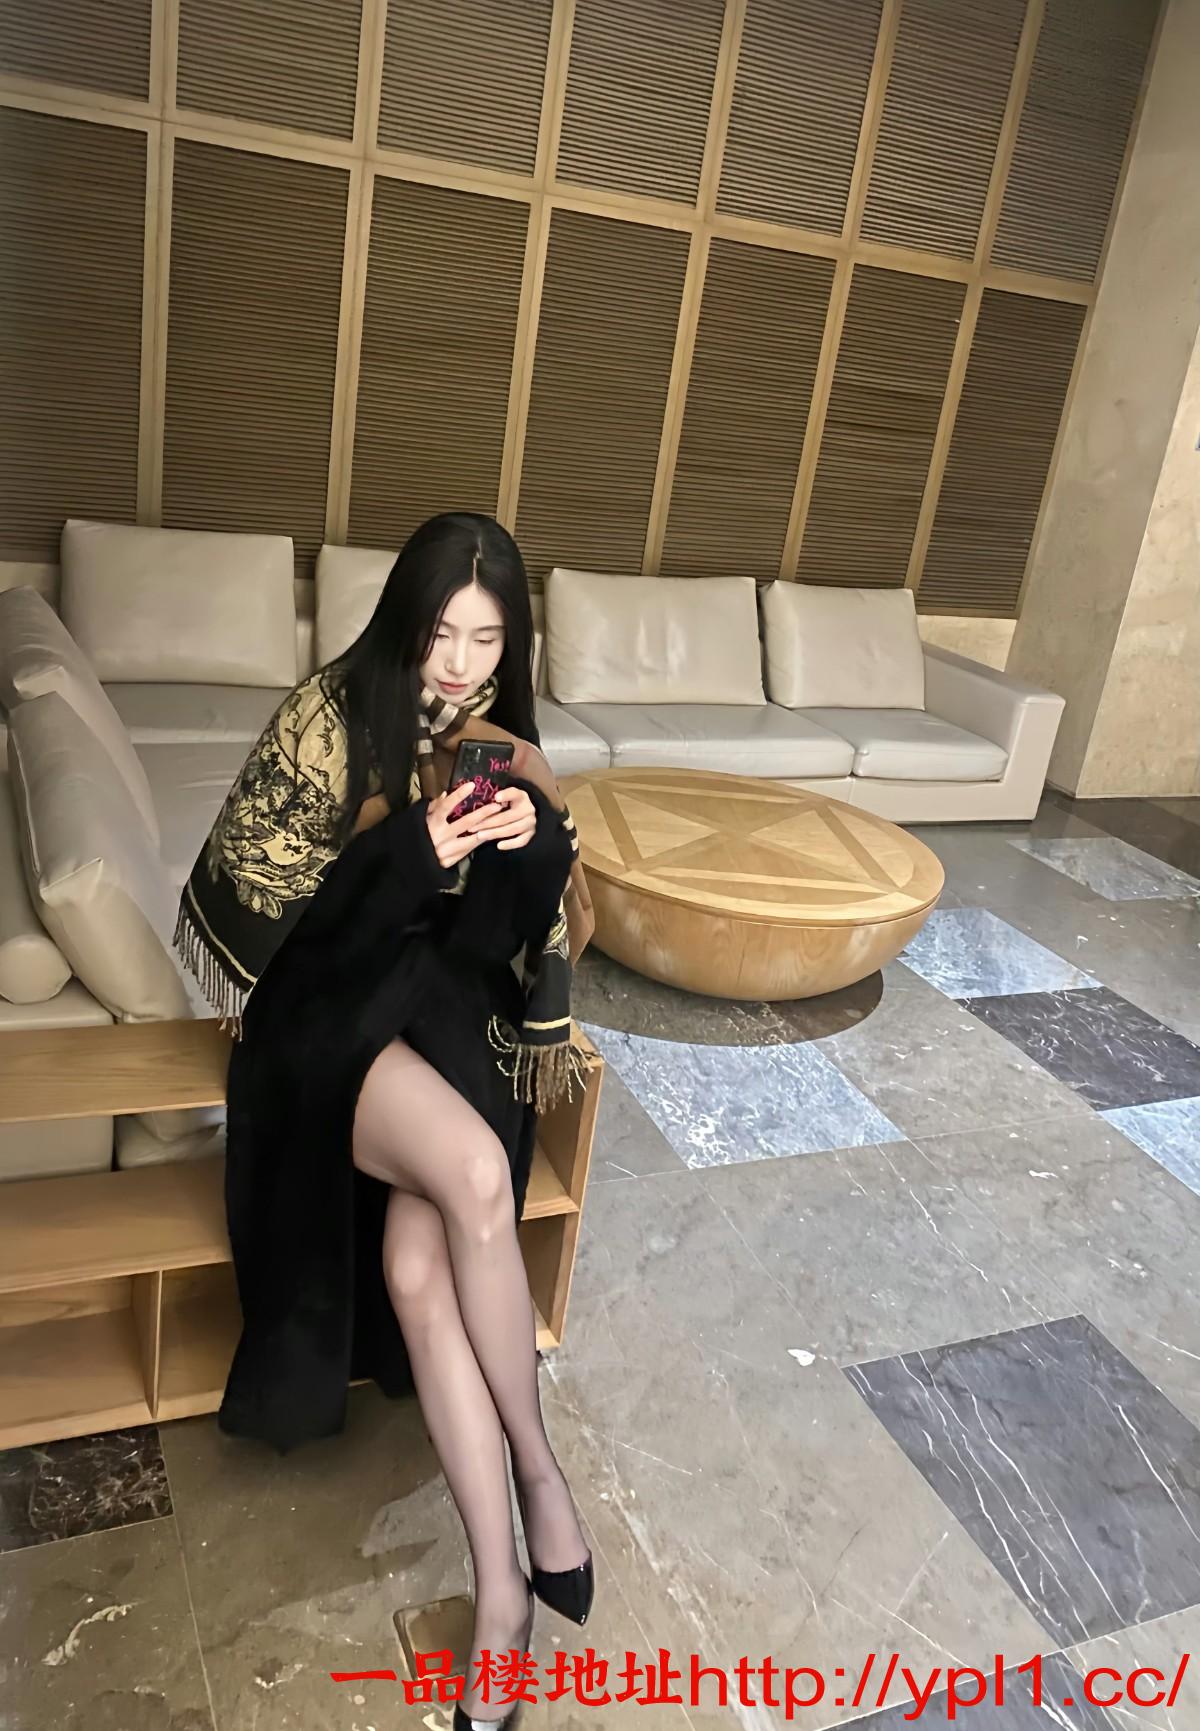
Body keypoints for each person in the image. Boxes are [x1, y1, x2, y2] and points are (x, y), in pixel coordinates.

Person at [173, 512, 596, 1729]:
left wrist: (529, 845)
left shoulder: (502, 742)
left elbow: (500, 944)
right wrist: (411, 850)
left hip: (440, 1013)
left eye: (487, 639)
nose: (458, 665)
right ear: (404, 619)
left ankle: (502, 1591)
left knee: (421, 1271)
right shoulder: (325, 720)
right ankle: (539, 1476)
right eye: (441, 634)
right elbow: (279, 942)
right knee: (474, 1172)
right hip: (320, 1022)